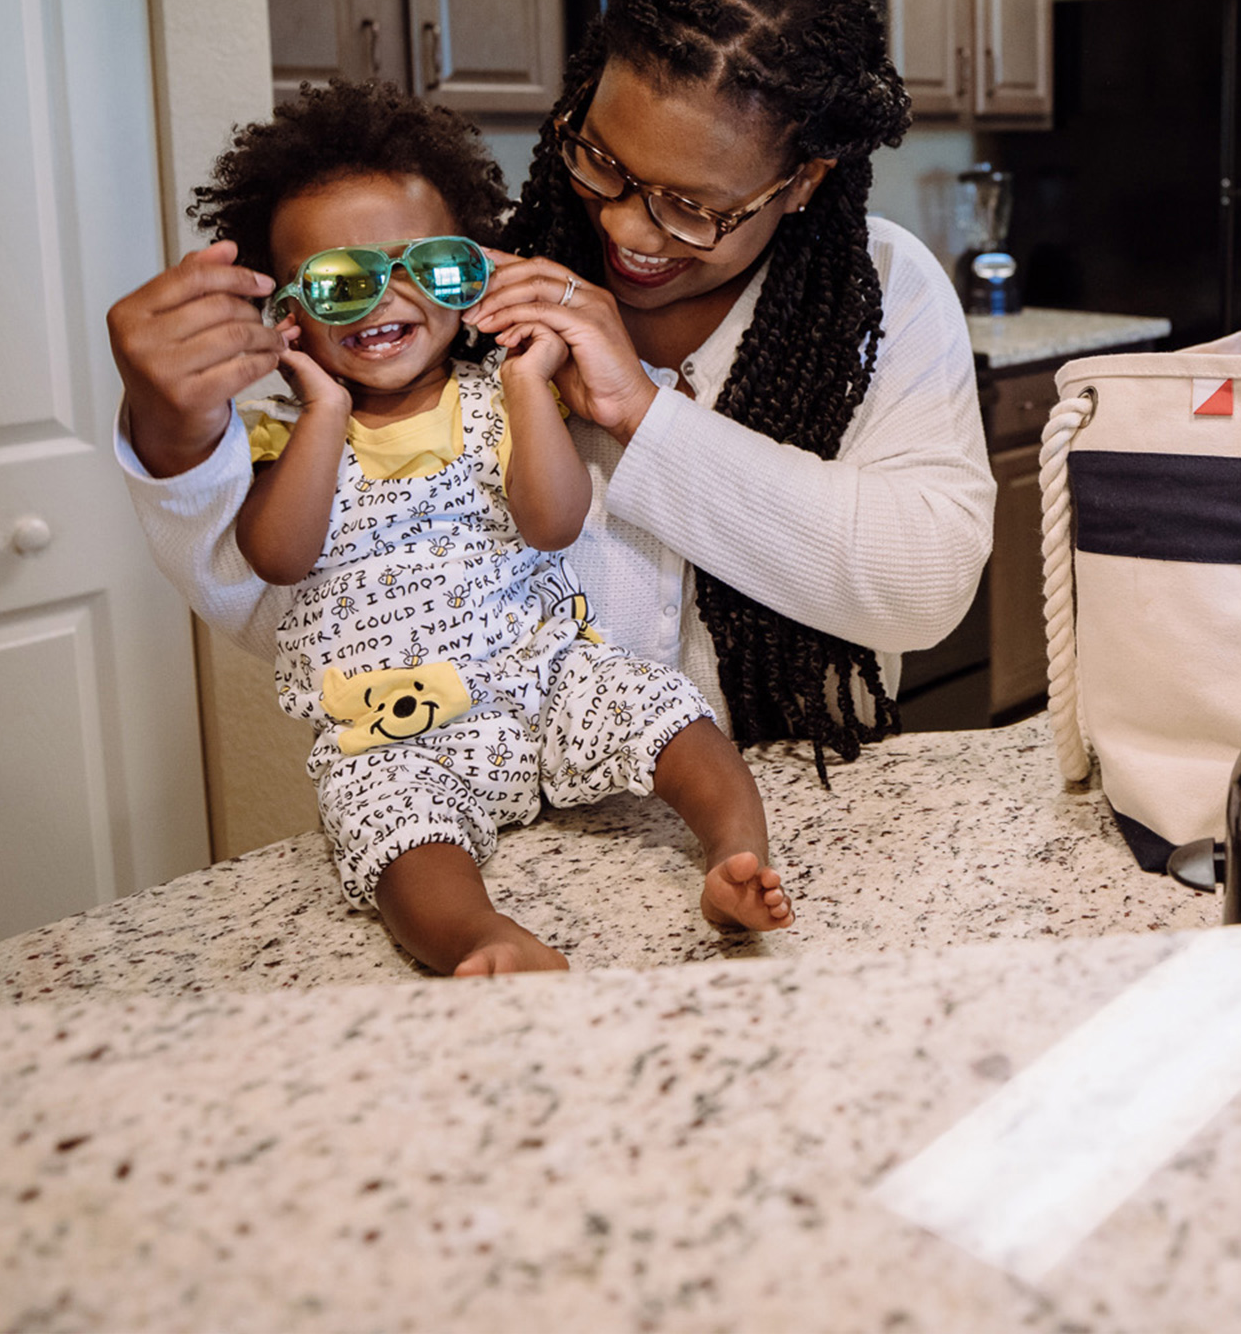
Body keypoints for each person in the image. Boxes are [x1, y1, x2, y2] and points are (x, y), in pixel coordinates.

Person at [106, 0, 991, 802]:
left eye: (692, 207)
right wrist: (173, 440)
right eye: (600, 158)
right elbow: (321, 598)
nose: (623, 226)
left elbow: (924, 586)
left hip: (795, 816)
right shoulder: (464, 300)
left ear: (801, 182)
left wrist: (643, 416)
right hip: (518, 842)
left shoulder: (880, 289)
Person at [185, 82, 791, 975]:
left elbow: (553, 523)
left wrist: (523, 377)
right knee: (394, 836)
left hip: (548, 681)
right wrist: (319, 406)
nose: (387, 296)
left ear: (470, 274)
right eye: (341, 282)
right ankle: (482, 937)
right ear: (285, 312)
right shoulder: (282, 434)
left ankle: (736, 857)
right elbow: (278, 556)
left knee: (673, 715)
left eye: (425, 265)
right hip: (398, 732)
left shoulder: (500, 400)